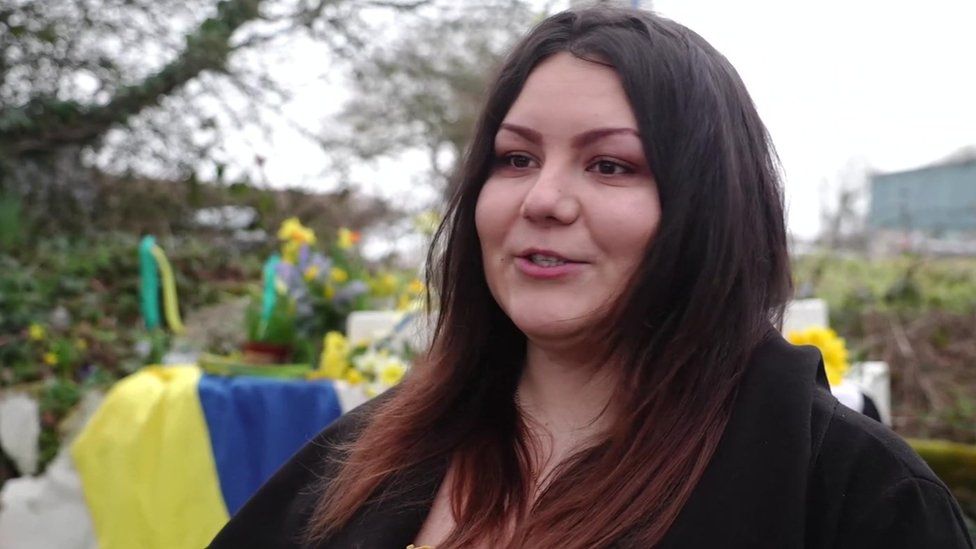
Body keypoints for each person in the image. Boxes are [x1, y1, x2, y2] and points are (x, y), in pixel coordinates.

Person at [210, 6, 973, 548]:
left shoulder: (858, 499)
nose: (543, 199)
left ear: (710, 208)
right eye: (516, 158)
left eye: (610, 165)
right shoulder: (360, 458)